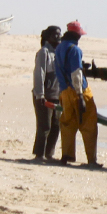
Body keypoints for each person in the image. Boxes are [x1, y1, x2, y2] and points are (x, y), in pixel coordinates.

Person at [54, 20, 99, 166]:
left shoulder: (59, 48)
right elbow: (76, 74)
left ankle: (67, 155)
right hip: (78, 91)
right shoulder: (75, 49)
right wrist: (80, 96)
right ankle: (92, 160)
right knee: (89, 125)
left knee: (67, 123)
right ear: (76, 35)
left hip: (64, 91)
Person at [32, 25, 61, 161]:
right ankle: (39, 154)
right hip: (44, 95)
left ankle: (49, 154)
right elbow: (39, 74)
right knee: (45, 126)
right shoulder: (44, 52)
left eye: (59, 34)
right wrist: (40, 95)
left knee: (56, 125)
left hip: (57, 95)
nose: (59, 37)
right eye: (55, 35)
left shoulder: (58, 53)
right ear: (48, 37)